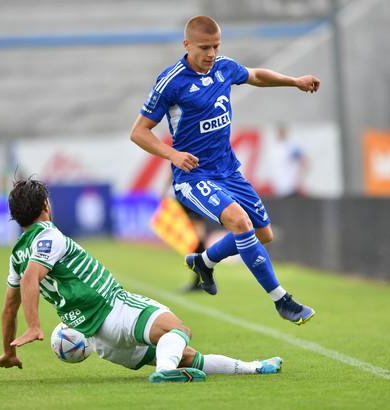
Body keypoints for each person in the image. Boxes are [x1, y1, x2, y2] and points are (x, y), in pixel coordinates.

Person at [0, 177, 284, 383]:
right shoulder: (49, 236)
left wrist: (9, 351)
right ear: (46, 204)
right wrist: (34, 324)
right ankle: (166, 373)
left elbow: (9, 307)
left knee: (185, 355)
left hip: (100, 341)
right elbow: (33, 278)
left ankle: (254, 368)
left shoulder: (17, 255)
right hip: (112, 309)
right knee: (178, 330)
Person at [130, 15, 319, 325]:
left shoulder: (224, 67)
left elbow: (255, 75)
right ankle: (282, 300)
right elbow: (139, 131)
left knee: (263, 233)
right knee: (240, 222)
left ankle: (203, 262)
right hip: (194, 177)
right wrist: (173, 155)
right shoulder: (171, 81)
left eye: (216, 46)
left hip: (229, 171)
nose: (211, 54)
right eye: (204, 47)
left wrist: (294, 81)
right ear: (186, 44)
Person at [270, 123, 309, 198]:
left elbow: (304, 161)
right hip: (279, 187)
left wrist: (299, 179)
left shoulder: (291, 146)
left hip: (291, 186)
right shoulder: (276, 147)